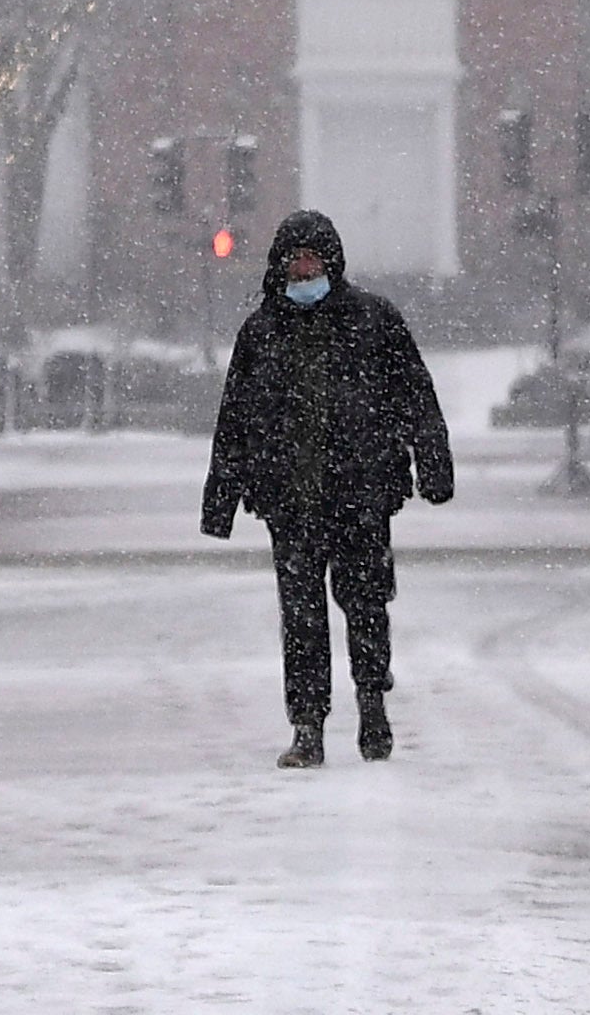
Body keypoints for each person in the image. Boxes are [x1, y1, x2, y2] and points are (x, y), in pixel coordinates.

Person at [197, 208, 453, 765]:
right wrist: (221, 499)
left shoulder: (373, 321)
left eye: (313, 259)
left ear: (331, 261)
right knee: (301, 618)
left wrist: (432, 465)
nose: (305, 269)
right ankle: (308, 726)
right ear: (281, 266)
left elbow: (416, 395)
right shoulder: (262, 333)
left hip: (361, 495)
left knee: (366, 606)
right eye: (296, 260)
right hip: (291, 502)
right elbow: (235, 419)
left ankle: (372, 706)